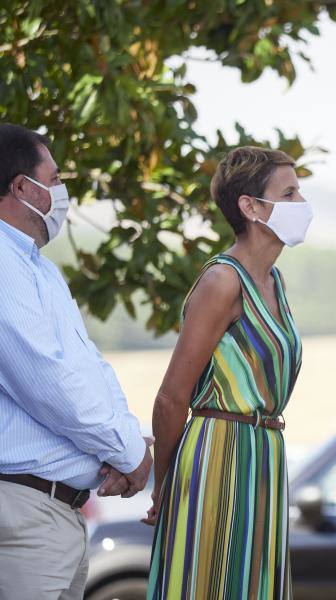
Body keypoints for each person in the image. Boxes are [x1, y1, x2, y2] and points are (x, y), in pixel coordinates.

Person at [145, 146, 310, 599]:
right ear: (251, 207)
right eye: (290, 193)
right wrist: (165, 485)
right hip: (218, 456)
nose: (302, 204)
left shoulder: (274, 282)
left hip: (264, 457)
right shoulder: (223, 281)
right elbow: (171, 398)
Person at [0, 123, 152, 600]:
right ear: (23, 187)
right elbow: (46, 381)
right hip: (26, 511)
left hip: (59, 513)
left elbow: (90, 370)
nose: (63, 192)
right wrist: (129, 455)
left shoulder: (39, 269)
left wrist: (124, 441)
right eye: (56, 178)